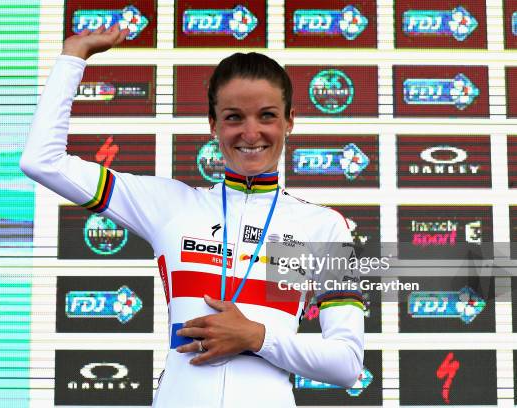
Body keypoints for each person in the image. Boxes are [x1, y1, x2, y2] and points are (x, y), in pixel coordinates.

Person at [20, 23, 364, 408]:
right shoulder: (171, 206)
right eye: (234, 117)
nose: (251, 133)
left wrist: (256, 337)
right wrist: (73, 56)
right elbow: (42, 161)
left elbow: (347, 364)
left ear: (289, 121)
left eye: (266, 116)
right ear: (213, 124)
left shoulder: (321, 227)